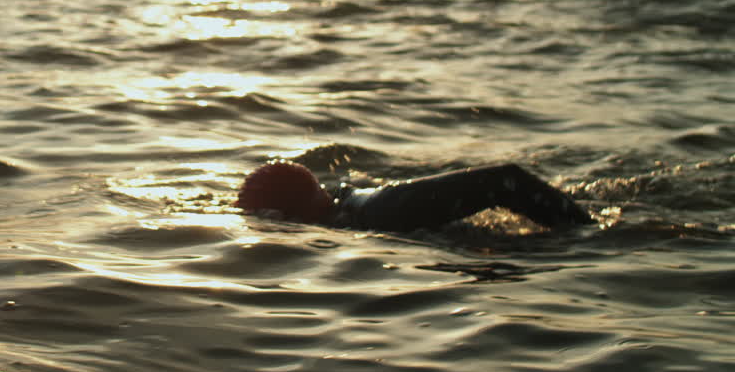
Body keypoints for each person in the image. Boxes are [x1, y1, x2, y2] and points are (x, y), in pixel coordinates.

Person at [236, 160, 594, 231]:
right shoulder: (348, 206)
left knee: (503, 182)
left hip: (378, 209)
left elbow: (505, 179)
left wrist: (588, 234)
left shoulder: (379, 215)